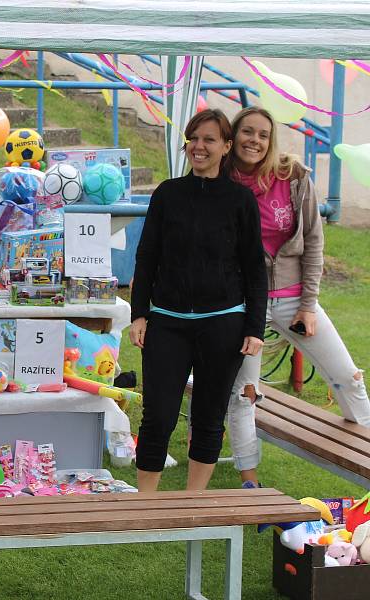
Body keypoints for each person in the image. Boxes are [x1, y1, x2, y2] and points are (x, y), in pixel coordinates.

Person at [225, 106, 370, 488]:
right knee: (244, 393)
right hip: (244, 304)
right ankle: (249, 479)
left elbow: (314, 244)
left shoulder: (292, 177)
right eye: (247, 132)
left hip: (292, 299)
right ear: (234, 136)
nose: (254, 140)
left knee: (348, 376)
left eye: (263, 134)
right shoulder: (220, 181)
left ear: (271, 141)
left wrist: (308, 304)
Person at [129, 109, 267, 492]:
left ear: (226, 147)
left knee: (209, 416)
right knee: (158, 415)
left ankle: (193, 504)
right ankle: (146, 505)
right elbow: (147, 256)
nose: (200, 146)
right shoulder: (167, 194)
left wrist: (254, 328)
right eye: (195, 138)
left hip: (223, 323)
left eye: (210, 139)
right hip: (168, 322)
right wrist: (139, 313)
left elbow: (255, 268)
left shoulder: (240, 201)